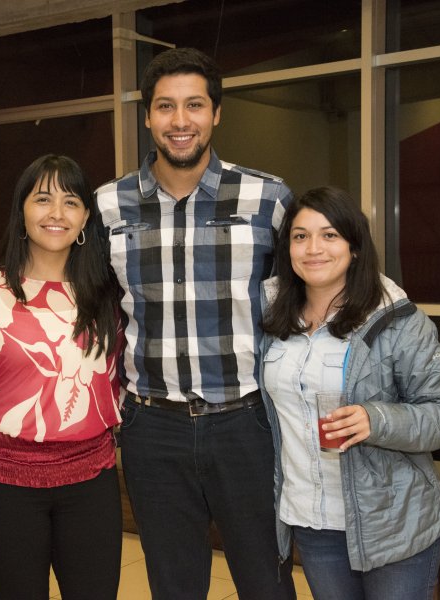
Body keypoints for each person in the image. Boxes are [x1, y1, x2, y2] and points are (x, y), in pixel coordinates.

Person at [95, 47, 297, 599]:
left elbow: (304, 296)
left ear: (217, 113)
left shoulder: (268, 198)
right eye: (165, 106)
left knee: (267, 580)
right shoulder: (109, 205)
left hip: (247, 425)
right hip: (152, 427)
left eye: (194, 105)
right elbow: (92, 306)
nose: (180, 121)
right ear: (147, 116)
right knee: (174, 585)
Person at [260, 186, 440, 600]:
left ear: (354, 247)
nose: (313, 248)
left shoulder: (397, 321)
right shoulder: (272, 317)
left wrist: (377, 420)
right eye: (300, 236)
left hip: (392, 522)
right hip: (312, 519)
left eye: (330, 235)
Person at [0, 154, 123, 600]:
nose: (56, 213)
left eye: (71, 202)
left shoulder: (109, 295)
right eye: (43, 199)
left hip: (91, 483)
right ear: (22, 210)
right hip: (2, 485)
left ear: (85, 218)